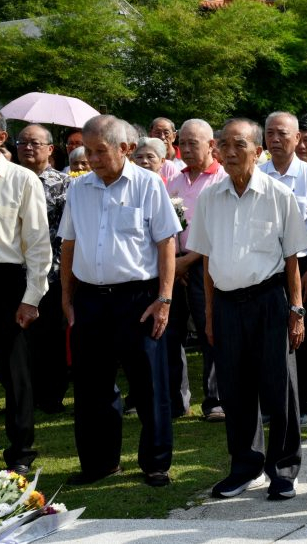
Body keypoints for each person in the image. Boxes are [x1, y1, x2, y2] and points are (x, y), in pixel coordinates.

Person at [187, 118, 307, 500]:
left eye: (240, 145)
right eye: (225, 144)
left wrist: (297, 309)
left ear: (258, 151)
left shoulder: (277, 194)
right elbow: (206, 261)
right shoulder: (209, 197)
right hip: (226, 304)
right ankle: (244, 465)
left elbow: (293, 259)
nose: (231, 152)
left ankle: (283, 470)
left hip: (270, 301)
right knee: (235, 389)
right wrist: (208, 315)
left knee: (280, 389)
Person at [58, 114, 181, 487]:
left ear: (125, 148)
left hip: (138, 298)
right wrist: (66, 298)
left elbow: (166, 243)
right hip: (91, 299)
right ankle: (100, 463)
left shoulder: (148, 185)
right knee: (92, 386)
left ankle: (156, 463)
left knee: (149, 385)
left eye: (100, 151)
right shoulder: (78, 189)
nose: (92, 160)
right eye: (88, 152)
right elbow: (68, 244)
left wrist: (164, 298)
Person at [0, 108, 51, 475]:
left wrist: (31, 298)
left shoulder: (22, 180)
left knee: (15, 375)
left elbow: (39, 245)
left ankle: (21, 453)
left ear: (0, 137)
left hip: (5, 281)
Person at [260, 112, 307, 428]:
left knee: (302, 334)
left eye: (282, 133)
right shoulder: (258, 173)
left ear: (298, 138)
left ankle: (302, 404)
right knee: (270, 333)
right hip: (265, 265)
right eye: (270, 133)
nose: (275, 139)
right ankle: (273, 403)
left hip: (301, 264)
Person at [165, 119, 227, 423]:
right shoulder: (175, 180)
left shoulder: (222, 179)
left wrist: (187, 262)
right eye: (183, 143)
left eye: (194, 143)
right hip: (174, 267)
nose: (186, 149)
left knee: (210, 331)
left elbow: (220, 230)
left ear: (211, 145)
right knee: (171, 333)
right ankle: (178, 400)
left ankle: (215, 399)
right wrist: (174, 264)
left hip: (207, 266)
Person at [15, 124, 71, 414]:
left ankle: (51, 395)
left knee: (50, 338)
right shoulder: (9, 179)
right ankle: (25, 395)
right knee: (19, 340)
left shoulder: (64, 184)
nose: (27, 148)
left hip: (53, 272)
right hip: (14, 271)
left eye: (35, 143)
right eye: (22, 142)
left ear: (50, 149)